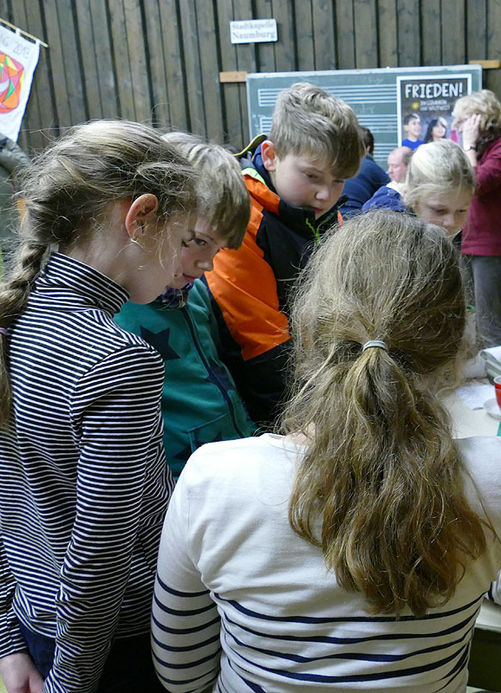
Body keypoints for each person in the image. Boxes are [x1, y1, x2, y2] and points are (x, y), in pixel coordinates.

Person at [151, 211, 501, 692]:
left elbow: (181, 677)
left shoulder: (211, 480)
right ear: (454, 344)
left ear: (308, 325)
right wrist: (490, 569)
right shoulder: (498, 480)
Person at [0, 120, 197, 693]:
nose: (183, 263)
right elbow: (99, 560)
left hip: (36, 622)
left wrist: (8, 639)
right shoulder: (119, 359)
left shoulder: (15, 318)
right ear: (140, 218)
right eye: (184, 239)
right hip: (110, 646)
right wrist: (71, 684)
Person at [206, 82, 365, 428]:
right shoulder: (242, 217)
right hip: (265, 400)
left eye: (339, 181)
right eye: (312, 176)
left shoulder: (323, 214)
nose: (326, 194)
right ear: (270, 156)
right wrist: (299, 421)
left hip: (311, 382)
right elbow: (258, 343)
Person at [114, 132, 255, 479]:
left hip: (230, 461)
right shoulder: (117, 313)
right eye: (197, 242)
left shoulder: (196, 293)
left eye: (218, 249)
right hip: (180, 484)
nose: (207, 264)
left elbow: (217, 373)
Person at [452, 89, 501, 348]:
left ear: (479, 120)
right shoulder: (482, 151)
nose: (457, 127)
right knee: (466, 317)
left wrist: (469, 145)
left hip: (492, 247)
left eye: (461, 121)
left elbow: (477, 183)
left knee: (489, 321)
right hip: (467, 242)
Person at [362, 140, 473, 237]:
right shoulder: (386, 227)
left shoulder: (443, 230)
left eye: (461, 211)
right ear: (409, 195)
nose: (451, 222)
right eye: (439, 210)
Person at [339, 126, 389, 219]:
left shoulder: (337, 163)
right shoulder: (372, 167)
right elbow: (392, 192)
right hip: (356, 221)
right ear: (368, 148)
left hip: (332, 218)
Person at [0, 137, 30, 270]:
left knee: (12, 254)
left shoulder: (2, 140)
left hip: (4, 211)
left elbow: (25, 168)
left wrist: (2, 153)